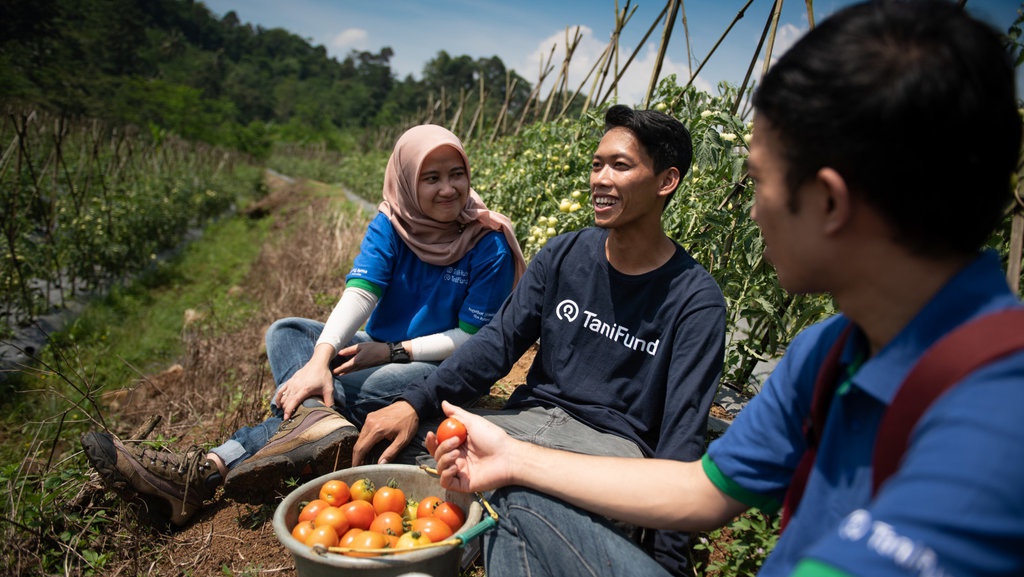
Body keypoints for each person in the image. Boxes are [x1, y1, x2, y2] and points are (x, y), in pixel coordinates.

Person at [428, 2, 1024, 576]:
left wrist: (521, 469)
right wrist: (514, 457)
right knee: (518, 494)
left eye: (760, 182)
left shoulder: (999, 409)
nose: (755, 211)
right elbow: (700, 490)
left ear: (828, 201)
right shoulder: (827, 351)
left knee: (524, 504)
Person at [80, 124, 527, 526]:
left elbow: (470, 340)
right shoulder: (393, 223)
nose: (448, 189)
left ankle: (206, 471)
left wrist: (393, 351)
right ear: (407, 181)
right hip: (379, 347)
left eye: (456, 174)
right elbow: (362, 292)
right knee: (288, 333)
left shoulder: (487, 243)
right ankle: (315, 422)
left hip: (439, 370)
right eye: (431, 178)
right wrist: (318, 361)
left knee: (348, 387)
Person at [354, 105, 727, 575]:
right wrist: (413, 403)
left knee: (519, 497)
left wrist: (667, 560)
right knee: (404, 451)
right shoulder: (564, 255)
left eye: (620, 165)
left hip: (607, 452)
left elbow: (682, 433)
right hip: (524, 424)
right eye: (597, 164)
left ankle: (507, 523)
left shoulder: (695, 300)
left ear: (666, 181)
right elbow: (496, 345)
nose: (600, 179)